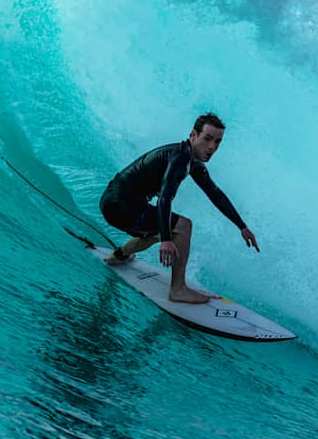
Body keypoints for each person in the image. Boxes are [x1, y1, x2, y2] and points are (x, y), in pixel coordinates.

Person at [100, 112, 259, 304]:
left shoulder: (192, 161)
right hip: (119, 205)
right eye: (207, 139)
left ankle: (118, 256)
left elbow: (215, 194)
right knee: (183, 226)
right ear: (193, 135)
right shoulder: (180, 159)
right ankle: (178, 290)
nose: (212, 147)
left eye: (218, 142)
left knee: (164, 228)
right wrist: (167, 240)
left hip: (116, 202)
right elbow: (164, 200)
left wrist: (242, 226)